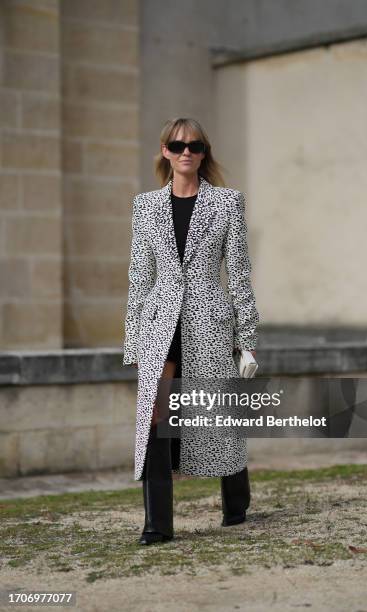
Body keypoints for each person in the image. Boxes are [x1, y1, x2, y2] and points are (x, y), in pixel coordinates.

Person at [123, 117, 259, 545]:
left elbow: (238, 275)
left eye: (195, 145)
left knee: (218, 416)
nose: (187, 151)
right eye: (178, 145)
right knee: (155, 418)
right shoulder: (145, 206)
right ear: (165, 151)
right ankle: (157, 525)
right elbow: (139, 277)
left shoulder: (227, 203)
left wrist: (247, 339)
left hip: (210, 323)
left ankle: (235, 503)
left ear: (204, 153)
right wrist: (133, 343)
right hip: (160, 323)